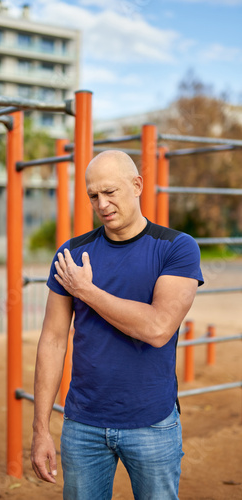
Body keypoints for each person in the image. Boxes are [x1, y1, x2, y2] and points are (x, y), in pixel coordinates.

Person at [31, 150, 204, 500]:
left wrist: (86, 291)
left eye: (111, 192)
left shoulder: (176, 248)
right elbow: (52, 340)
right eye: (94, 195)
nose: (102, 203)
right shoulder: (71, 254)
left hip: (152, 422)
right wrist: (40, 430)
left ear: (137, 185)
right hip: (82, 423)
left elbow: (157, 328)